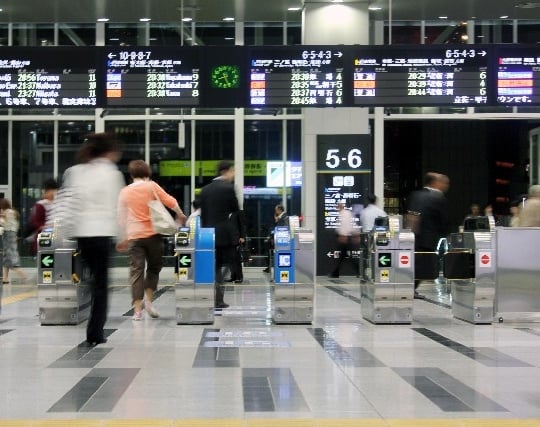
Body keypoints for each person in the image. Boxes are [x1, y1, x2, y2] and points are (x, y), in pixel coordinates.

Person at [62, 133, 125, 346]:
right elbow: (117, 207)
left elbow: (69, 203)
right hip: (102, 234)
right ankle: (95, 332)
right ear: (109, 151)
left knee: (91, 280)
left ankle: (92, 325)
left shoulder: (75, 172)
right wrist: (122, 235)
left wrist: (65, 231)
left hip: (82, 234)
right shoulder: (111, 173)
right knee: (101, 284)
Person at [117, 160, 187, 321]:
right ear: (147, 173)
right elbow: (171, 201)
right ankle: (148, 301)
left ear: (131, 174)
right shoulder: (151, 186)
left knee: (136, 272)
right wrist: (180, 214)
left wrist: (123, 237)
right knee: (154, 268)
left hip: (134, 236)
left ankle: (137, 311)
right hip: (153, 234)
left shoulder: (125, 191)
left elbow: (121, 217)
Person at [199, 160, 241, 309]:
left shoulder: (205, 190)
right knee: (230, 264)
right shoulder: (229, 188)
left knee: (214, 265)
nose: (233, 174)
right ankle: (219, 297)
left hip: (208, 234)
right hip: (225, 234)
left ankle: (213, 294)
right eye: (233, 171)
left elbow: (203, 215)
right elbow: (235, 208)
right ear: (226, 171)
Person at [407, 172, 450, 299]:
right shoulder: (438, 197)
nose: (445, 185)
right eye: (443, 182)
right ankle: (411, 289)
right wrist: (446, 234)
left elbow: (411, 215)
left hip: (413, 237)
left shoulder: (415, 195)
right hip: (428, 239)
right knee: (423, 267)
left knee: (414, 265)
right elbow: (444, 220)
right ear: (435, 183)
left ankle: (409, 288)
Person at [329, 200, 360, 278]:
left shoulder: (343, 215)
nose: (337, 208)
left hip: (345, 238)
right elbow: (353, 224)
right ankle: (336, 273)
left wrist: (343, 236)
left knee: (344, 257)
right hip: (347, 237)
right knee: (344, 257)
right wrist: (355, 234)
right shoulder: (347, 213)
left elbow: (344, 226)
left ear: (340, 206)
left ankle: (336, 273)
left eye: (338, 206)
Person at [27, 178, 59, 255]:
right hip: (45, 239)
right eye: (54, 191)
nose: (55, 193)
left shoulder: (58, 204)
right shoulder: (41, 204)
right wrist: (48, 227)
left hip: (57, 240)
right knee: (46, 264)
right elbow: (35, 222)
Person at [0, 198, 27, 284]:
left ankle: (22, 273)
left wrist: (1, 216)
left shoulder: (6, 212)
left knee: (9, 255)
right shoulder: (13, 212)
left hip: (7, 234)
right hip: (12, 234)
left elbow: (2, 222)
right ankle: (5, 278)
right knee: (7, 256)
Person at [263, 204, 289, 273]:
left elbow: (284, 229)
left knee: (276, 254)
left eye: (276, 210)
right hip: (277, 239)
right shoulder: (280, 217)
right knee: (269, 252)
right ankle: (270, 267)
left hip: (281, 241)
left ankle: (276, 268)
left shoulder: (285, 217)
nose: (275, 212)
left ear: (280, 210)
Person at [230, 210, 247, 283]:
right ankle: (233, 276)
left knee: (237, 259)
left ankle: (239, 277)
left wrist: (242, 237)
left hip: (237, 239)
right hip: (228, 239)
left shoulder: (238, 212)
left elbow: (242, 225)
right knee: (231, 259)